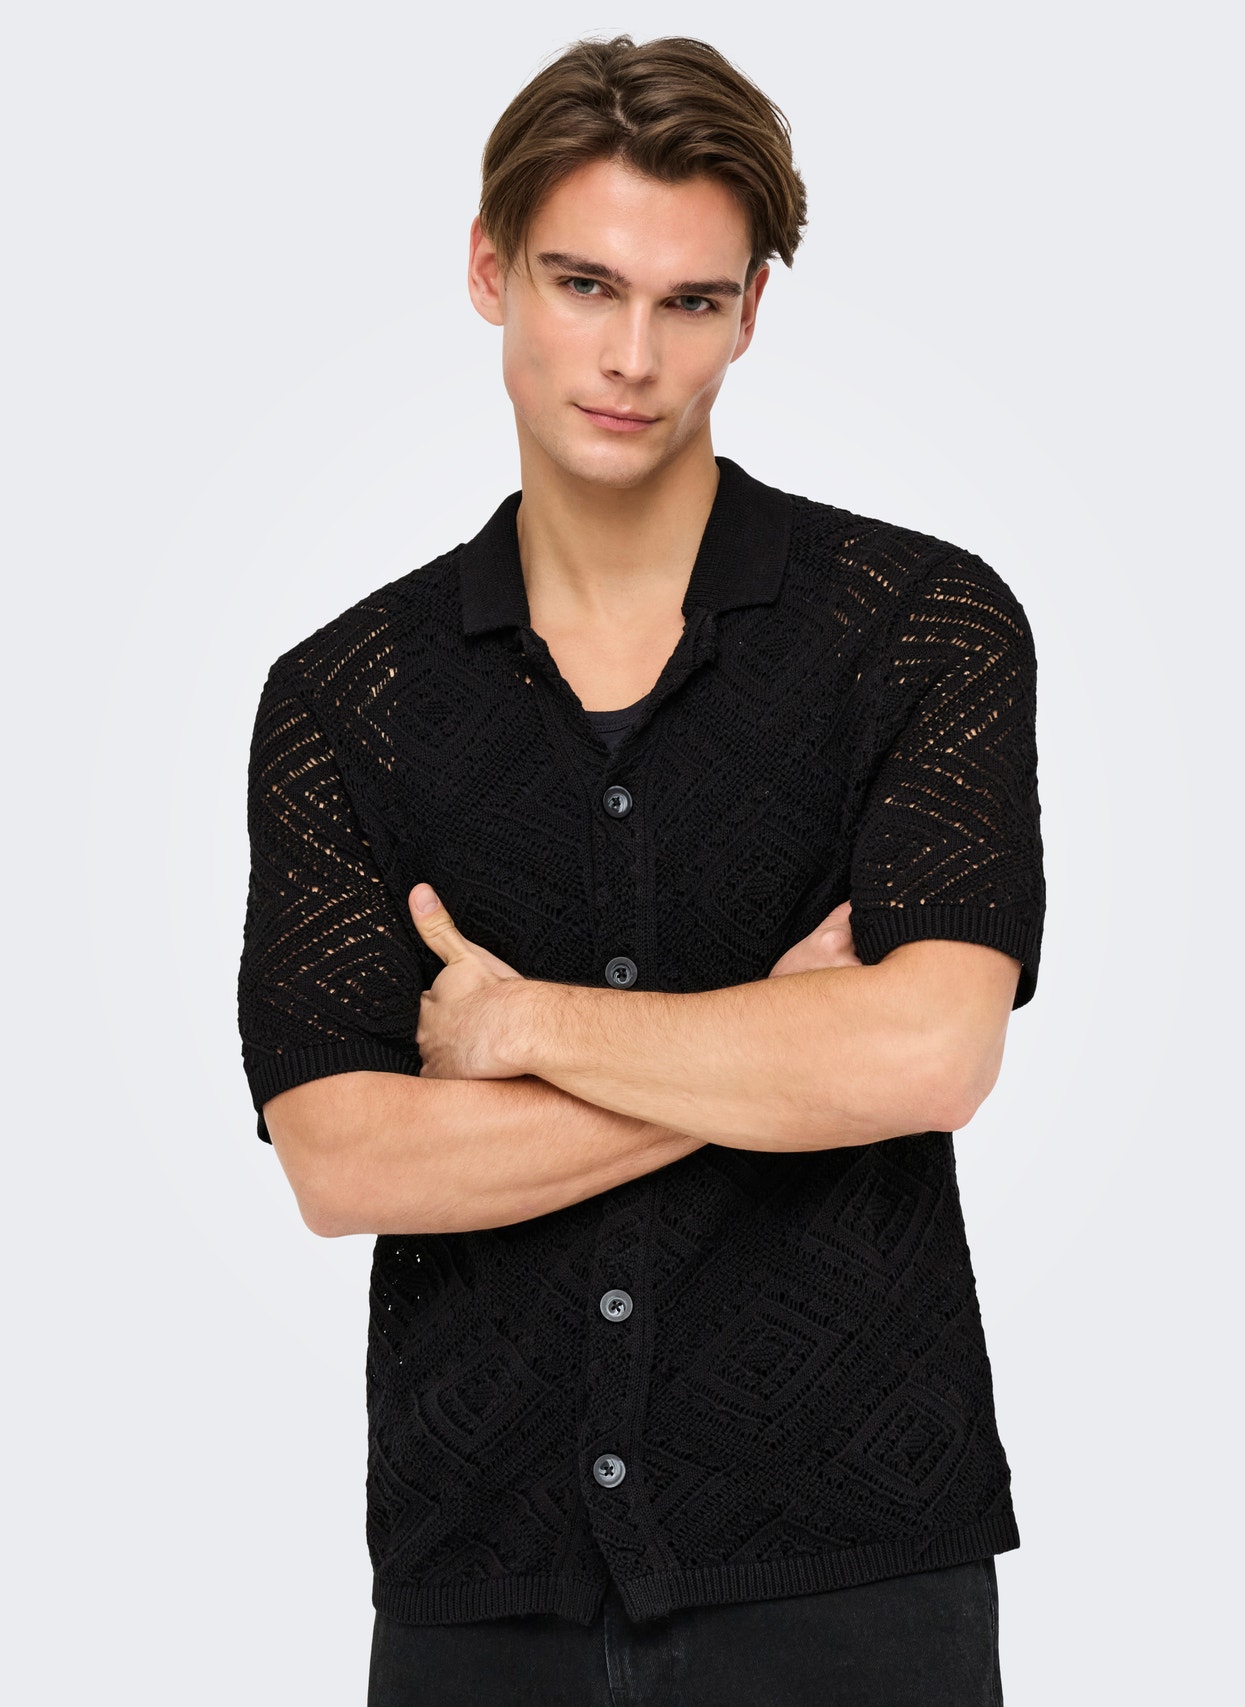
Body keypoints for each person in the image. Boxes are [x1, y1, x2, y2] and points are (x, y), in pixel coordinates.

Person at [237, 33, 1045, 1707]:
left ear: (751, 314)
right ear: (490, 272)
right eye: (583, 283)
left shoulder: (919, 630)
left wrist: (520, 1027)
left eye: (690, 302)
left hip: (855, 1571)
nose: (631, 356)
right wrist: (777, 1051)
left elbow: (927, 1053)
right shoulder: (345, 700)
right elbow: (343, 1155)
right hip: (482, 1584)